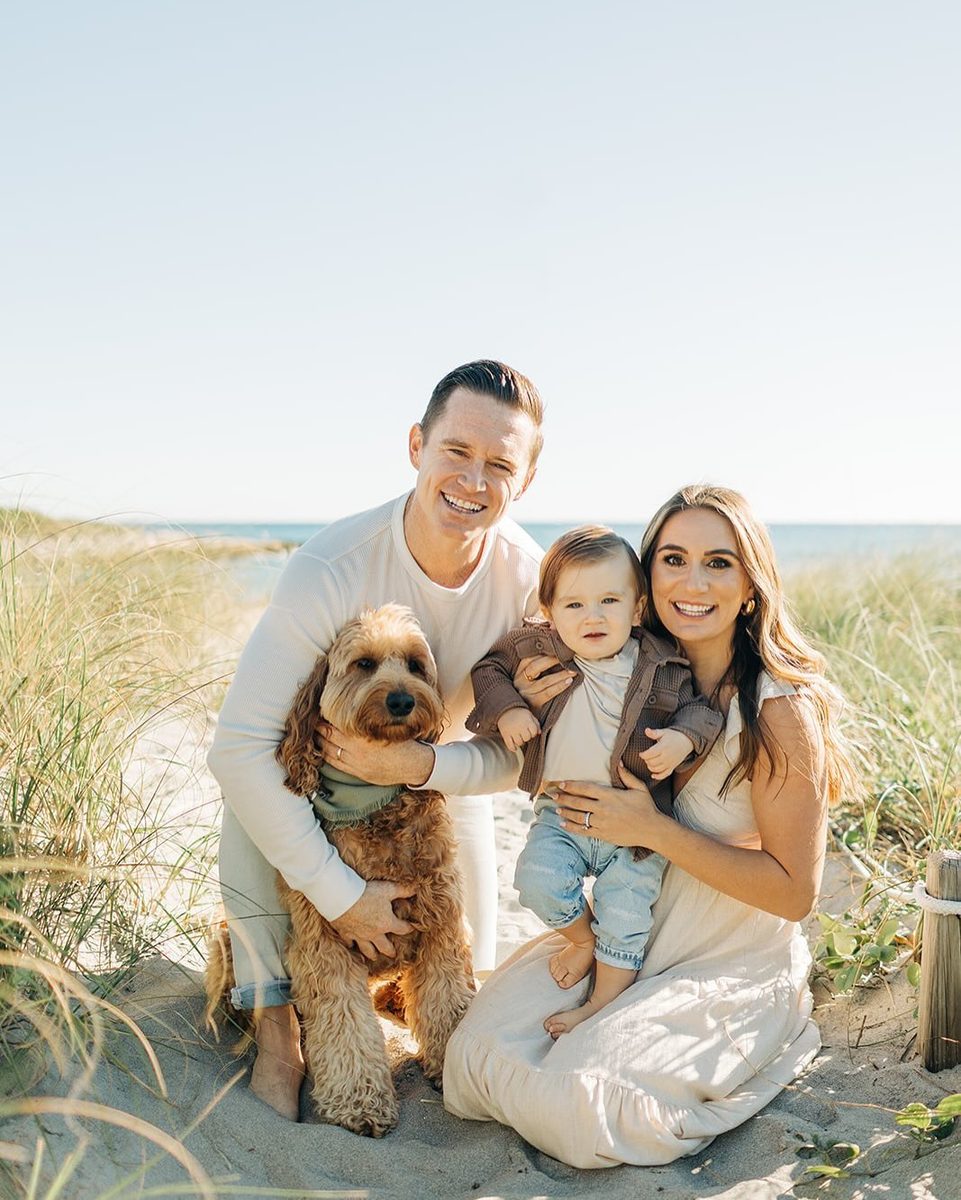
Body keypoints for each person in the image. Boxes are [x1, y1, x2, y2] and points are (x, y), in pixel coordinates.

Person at [442, 483, 857, 1168]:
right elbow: (515, 725)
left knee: (584, 1104)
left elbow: (793, 895)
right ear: (646, 578)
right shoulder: (615, 661)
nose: (692, 583)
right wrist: (519, 704)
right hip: (623, 928)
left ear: (750, 586)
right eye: (673, 559)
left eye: (718, 563)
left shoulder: (779, 709)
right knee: (473, 1059)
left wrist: (653, 829)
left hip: (725, 954)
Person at [207, 360, 545, 1119]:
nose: (472, 480)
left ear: (524, 479)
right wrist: (343, 897)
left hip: (442, 777)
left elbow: (529, 757)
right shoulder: (332, 565)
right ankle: (277, 1033)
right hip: (321, 787)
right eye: (455, 450)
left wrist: (421, 765)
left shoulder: (530, 582)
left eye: (499, 464)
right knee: (250, 799)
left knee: (460, 964)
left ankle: (424, 1027)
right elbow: (238, 749)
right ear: (416, 445)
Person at [465, 526, 721, 1036]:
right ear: (549, 611)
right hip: (561, 812)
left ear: (637, 607)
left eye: (609, 600)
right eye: (575, 604)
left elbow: (702, 709)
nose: (594, 617)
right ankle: (582, 939)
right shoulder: (536, 647)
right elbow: (487, 671)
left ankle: (602, 1001)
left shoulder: (661, 662)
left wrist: (683, 739)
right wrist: (511, 708)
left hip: (635, 824)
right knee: (537, 880)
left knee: (626, 912)